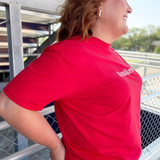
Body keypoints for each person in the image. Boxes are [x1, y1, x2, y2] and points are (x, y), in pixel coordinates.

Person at [0, 0, 142, 159]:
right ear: (98, 5)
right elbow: (9, 104)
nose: (129, 9)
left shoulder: (108, 50)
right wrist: (56, 146)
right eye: (123, 0)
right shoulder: (67, 55)